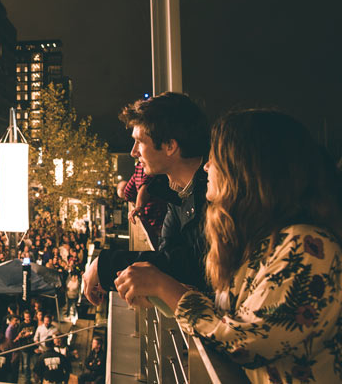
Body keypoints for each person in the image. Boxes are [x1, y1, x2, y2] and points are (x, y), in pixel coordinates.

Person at [114, 109, 342, 383]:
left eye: (215, 159)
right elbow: (235, 315)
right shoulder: (266, 240)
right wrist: (161, 294)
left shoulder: (309, 248)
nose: (207, 167)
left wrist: (166, 288)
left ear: (248, 169)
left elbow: (245, 344)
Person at [83, 92, 210, 304]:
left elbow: (192, 266)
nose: (133, 152)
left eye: (139, 142)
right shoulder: (173, 192)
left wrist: (104, 264)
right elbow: (171, 260)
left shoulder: (216, 192)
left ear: (170, 146)